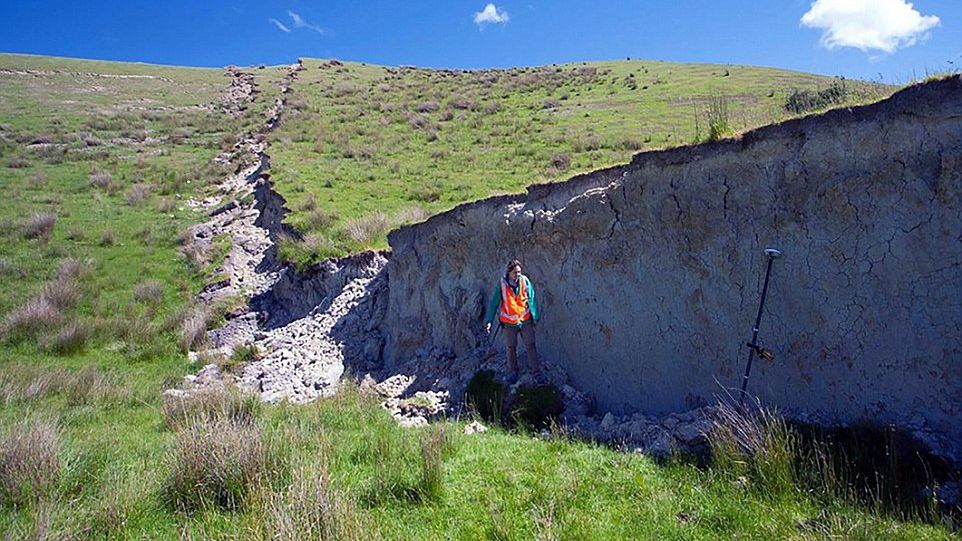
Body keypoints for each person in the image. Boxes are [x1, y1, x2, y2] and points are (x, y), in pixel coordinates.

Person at [485, 259, 541, 377]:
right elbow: (494, 303)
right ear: (509, 272)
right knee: (511, 348)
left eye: (519, 271)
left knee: (530, 345)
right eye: (515, 272)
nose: (518, 274)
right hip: (509, 323)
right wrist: (489, 320)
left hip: (525, 320)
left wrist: (535, 316)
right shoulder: (502, 284)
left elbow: (531, 299)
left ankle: (536, 372)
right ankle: (512, 371)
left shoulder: (525, 281)